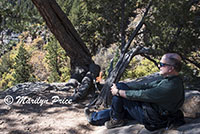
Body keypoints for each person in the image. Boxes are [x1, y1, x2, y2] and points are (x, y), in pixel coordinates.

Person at [84, 53, 185, 131]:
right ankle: (95, 118)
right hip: (152, 111)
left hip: (153, 118)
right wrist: (127, 86)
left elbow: (143, 94)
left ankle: (116, 120)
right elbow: (146, 85)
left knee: (121, 99)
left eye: (162, 64)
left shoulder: (170, 86)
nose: (159, 66)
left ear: (171, 68)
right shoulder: (171, 80)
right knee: (120, 107)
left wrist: (119, 92)